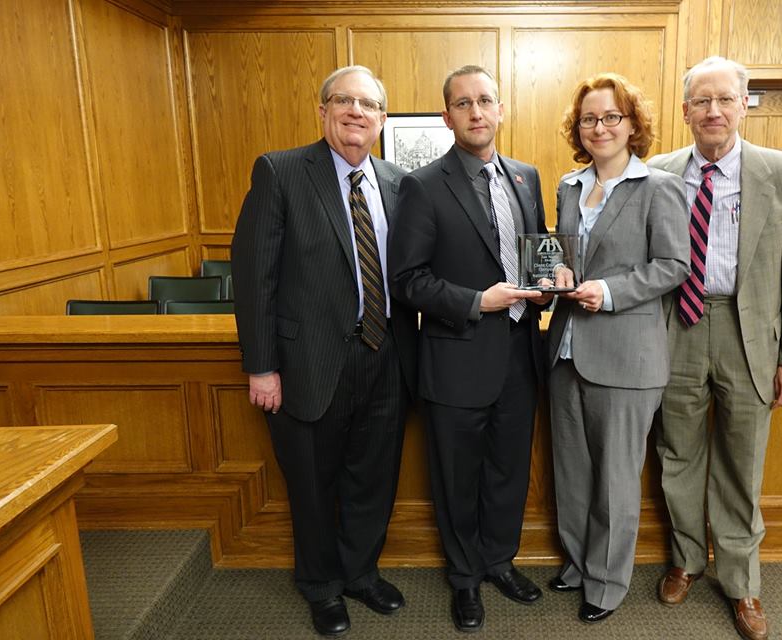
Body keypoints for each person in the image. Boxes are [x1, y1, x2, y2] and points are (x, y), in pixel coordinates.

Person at [231, 65, 417, 637]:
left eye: (368, 104)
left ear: (382, 119)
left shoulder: (397, 182)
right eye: (343, 100)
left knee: (374, 477)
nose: (356, 111)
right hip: (308, 363)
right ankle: (321, 586)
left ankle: (361, 574)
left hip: (386, 357)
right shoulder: (282, 171)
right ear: (322, 110)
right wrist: (262, 367)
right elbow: (253, 274)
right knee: (312, 484)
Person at [648, 56, 782, 640]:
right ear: (686, 109)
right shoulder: (659, 172)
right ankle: (688, 559)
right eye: (701, 100)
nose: (713, 110)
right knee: (678, 453)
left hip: (752, 339)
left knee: (742, 463)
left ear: (745, 104)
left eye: (725, 99)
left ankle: (743, 583)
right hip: (678, 330)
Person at [389, 64, 549, 633]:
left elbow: (537, 259)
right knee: (456, 476)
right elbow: (407, 281)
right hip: (456, 356)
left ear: (501, 109)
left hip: (519, 355)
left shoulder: (526, 178)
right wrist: (476, 300)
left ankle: (499, 562)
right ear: (447, 116)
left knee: (508, 470)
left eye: (485, 101)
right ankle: (463, 579)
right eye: (463, 104)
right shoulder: (423, 184)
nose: (476, 112)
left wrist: (553, 279)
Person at [545, 73, 689, 624]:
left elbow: (673, 266)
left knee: (614, 479)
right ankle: (580, 564)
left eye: (611, 117)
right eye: (589, 118)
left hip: (628, 358)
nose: (599, 127)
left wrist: (607, 292)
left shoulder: (659, 187)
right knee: (573, 471)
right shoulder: (569, 185)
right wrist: (559, 271)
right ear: (578, 128)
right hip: (566, 351)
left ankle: (606, 582)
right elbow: (565, 254)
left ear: (632, 125)